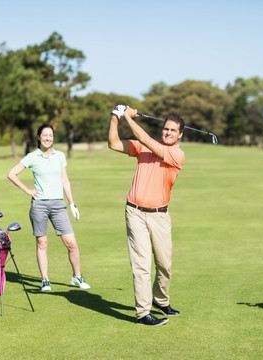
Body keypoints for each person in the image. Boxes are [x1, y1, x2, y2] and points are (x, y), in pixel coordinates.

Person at [108, 105, 185, 326]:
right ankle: (143, 313)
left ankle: (160, 300)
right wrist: (115, 117)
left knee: (164, 264)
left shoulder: (176, 154)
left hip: (160, 216)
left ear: (180, 134)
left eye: (172, 130)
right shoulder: (144, 147)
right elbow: (113, 143)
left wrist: (128, 117)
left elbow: (143, 136)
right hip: (135, 212)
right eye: (165, 129)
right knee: (141, 264)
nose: (168, 132)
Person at [7, 124, 90, 291]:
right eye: (44, 135)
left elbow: (65, 180)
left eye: (50, 135)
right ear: (39, 137)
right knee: (42, 242)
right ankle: (45, 280)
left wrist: (72, 202)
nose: (47, 138)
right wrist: (28, 190)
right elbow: (11, 174)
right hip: (40, 205)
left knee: (71, 243)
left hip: (59, 205)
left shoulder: (60, 156)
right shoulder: (32, 157)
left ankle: (77, 277)